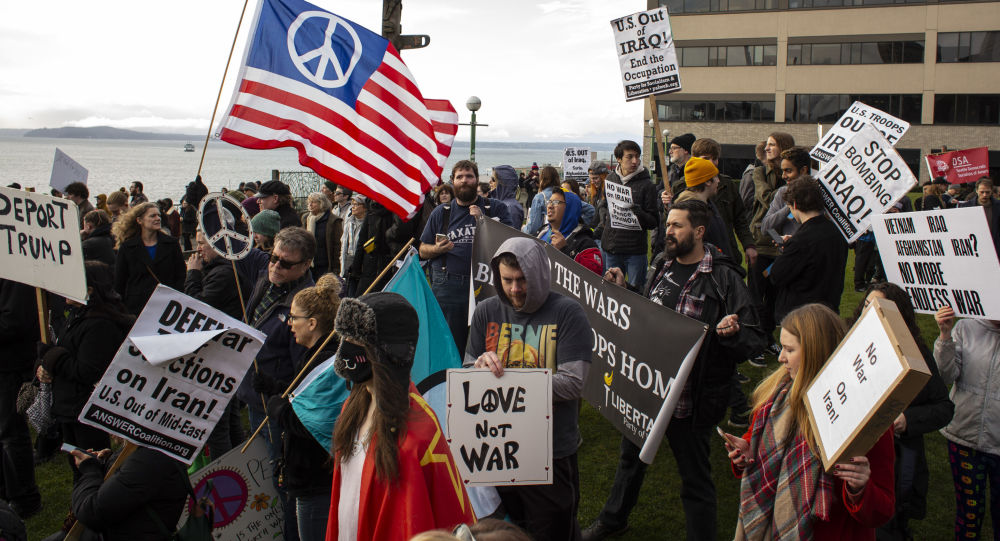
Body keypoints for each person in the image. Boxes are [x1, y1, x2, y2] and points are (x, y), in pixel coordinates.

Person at [584, 199, 766, 541]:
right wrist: (628, 291)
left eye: (676, 226)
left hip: (690, 400)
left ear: (698, 231)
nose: (668, 231)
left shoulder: (724, 279)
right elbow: (651, 314)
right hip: (647, 391)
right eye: (668, 224)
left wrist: (732, 332)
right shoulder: (662, 266)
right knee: (630, 461)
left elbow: (754, 339)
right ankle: (613, 519)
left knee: (695, 477)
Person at [724, 303, 895, 540]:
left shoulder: (863, 414)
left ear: (815, 351)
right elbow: (756, 442)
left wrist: (860, 488)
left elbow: (883, 510)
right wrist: (744, 453)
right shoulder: (776, 393)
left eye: (789, 349)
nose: (781, 358)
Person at [467, 237, 592, 540]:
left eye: (522, 280)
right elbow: (468, 369)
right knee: (510, 531)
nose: (514, 289)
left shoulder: (567, 313)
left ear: (538, 274)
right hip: (498, 449)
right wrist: (479, 367)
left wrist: (508, 379)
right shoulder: (485, 311)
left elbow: (574, 383)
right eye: (507, 280)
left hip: (551, 452)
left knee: (554, 530)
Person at [328, 292, 474, 540]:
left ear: (386, 350)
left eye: (356, 339)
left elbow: (419, 517)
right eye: (345, 337)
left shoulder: (417, 435)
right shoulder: (351, 410)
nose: (347, 347)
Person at [849, 284, 952, 541]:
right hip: (852, 457)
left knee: (886, 527)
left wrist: (907, 420)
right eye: (866, 306)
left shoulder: (915, 355)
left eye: (880, 309)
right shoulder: (846, 343)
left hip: (895, 463)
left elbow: (943, 408)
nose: (870, 314)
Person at [254, 274, 344, 540]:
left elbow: (312, 421)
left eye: (294, 318)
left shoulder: (326, 362)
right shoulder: (312, 355)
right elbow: (301, 396)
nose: (290, 324)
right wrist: (273, 387)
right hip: (305, 475)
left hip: (315, 479)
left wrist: (277, 408)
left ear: (313, 323)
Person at [36, 262, 134, 482]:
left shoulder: (100, 324)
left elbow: (87, 370)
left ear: (90, 290)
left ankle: (91, 508)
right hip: (69, 408)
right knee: (76, 466)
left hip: (84, 412)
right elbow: (60, 350)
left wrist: (53, 357)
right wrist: (43, 366)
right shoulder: (77, 315)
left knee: (91, 468)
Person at [419, 160, 513, 353]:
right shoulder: (441, 213)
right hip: (449, 287)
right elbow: (422, 250)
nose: (464, 181)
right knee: (451, 347)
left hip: (488, 285)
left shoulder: (495, 208)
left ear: (477, 180)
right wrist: (438, 249)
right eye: (459, 177)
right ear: (452, 181)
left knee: (490, 346)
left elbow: (513, 242)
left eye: (469, 176)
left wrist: (483, 222)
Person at [934, 303, 1000, 540]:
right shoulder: (966, 328)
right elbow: (944, 375)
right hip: (964, 438)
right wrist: (945, 336)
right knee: (969, 515)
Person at [51, 445, 188, 541]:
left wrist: (90, 469)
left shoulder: (149, 460)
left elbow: (91, 512)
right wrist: (110, 461)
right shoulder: (150, 450)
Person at [767, 176, 848, 323]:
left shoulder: (801, 240)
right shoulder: (837, 233)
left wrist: (787, 250)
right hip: (829, 312)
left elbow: (776, 275)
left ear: (795, 204)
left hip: (802, 317)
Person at [748, 132, 796, 356]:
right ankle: (755, 341)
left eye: (772, 145)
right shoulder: (759, 172)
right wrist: (789, 192)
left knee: (775, 297)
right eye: (766, 145)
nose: (767, 149)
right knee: (756, 295)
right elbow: (765, 198)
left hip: (785, 246)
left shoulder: (795, 173)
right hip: (763, 242)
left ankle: (767, 338)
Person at [0, 279, 41, 518]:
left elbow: (14, 323)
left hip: (11, 364)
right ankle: (6, 492)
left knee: (11, 432)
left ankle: (25, 498)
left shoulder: (14, 275)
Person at [599, 140, 659, 289]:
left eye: (637, 157)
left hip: (635, 251)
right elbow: (605, 204)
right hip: (612, 247)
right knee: (610, 291)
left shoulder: (647, 185)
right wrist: (604, 217)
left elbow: (654, 222)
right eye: (630, 157)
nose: (635, 161)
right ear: (619, 159)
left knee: (635, 293)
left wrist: (638, 212)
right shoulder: (610, 179)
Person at [112, 202, 185, 314]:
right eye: (152, 216)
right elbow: (120, 281)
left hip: (166, 306)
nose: (157, 218)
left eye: (159, 215)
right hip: (137, 308)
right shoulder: (127, 247)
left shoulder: (172, 244)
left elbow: (180, 275)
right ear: (139, 220)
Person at [538, 189, 602, 275]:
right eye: (549, 202)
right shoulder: (542, 232)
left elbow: (596, 273)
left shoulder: (585, 242)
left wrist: (566, 250)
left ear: (570, 208)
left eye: (556, 202)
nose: (550, 206)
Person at [958, 177, 1000, 263]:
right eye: (982, 192)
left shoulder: (998, 206)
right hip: (974, 249)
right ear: (976, 191)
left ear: (991, 191)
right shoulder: (966, 207)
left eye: (987, 192)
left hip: (995, 248)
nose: (985, 195)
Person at [304, 192, 342, 279]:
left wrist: (336, 267)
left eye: (313, 202)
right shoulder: (307, 218)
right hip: (309, 264)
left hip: (324, 265)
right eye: (309, 202)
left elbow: (337, 245)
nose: (310, 204)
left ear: (322, 203)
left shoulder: (333, 220)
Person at [524, 166, 563, 236]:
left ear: (542, 179)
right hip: (565, 235)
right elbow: (589, 210)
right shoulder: (566, 194)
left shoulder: (540, 197)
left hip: (548, 237)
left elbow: (533, 227)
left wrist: (524, 229)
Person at [340, 194, 367, 296]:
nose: (353, 207)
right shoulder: (349, 222)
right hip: (349, 262)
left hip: (363, 263)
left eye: (356, 204)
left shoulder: (367, 223)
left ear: (364, 208)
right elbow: (344, 246)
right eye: (352, 204)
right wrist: (342, 269)